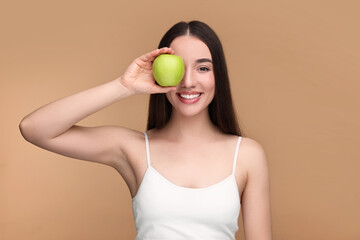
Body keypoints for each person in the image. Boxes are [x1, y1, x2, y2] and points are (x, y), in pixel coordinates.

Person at [19, 21, 272, 240]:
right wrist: (124, 86)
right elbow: (34, 128)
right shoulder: (134, 148)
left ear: (219, 76)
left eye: (203, 68)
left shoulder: (247, 155)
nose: (188, 82)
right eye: (179, 67)